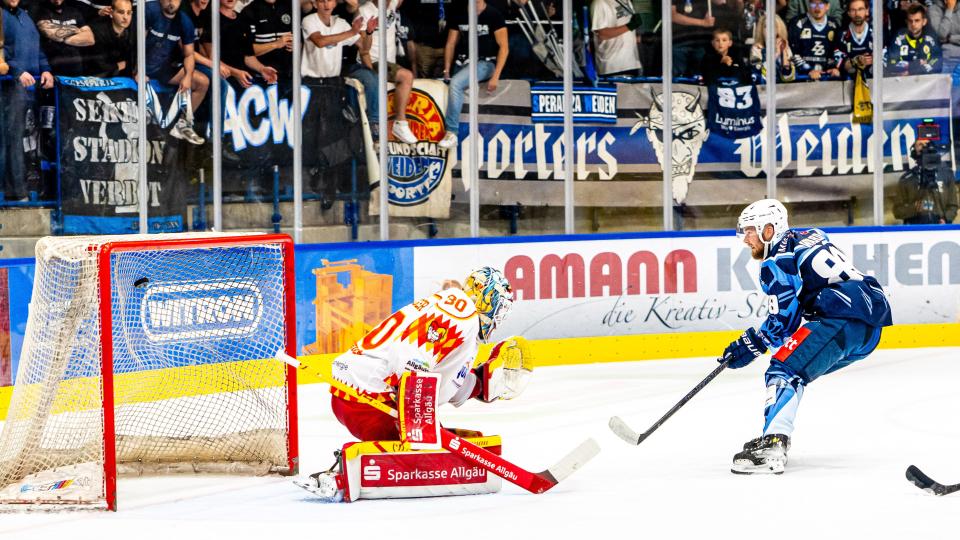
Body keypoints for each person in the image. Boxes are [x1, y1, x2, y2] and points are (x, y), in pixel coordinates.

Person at [301, 267, 528, 499]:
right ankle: (341, 480)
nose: (499, 317)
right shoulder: (460, 311)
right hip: (371, 398)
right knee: (429, 460)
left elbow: (442, 378)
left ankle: (352, 472)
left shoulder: (461, 318)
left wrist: (481, 383)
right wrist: (416, 426)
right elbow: (412, 357)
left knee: (436, 450)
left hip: (361, 393)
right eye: (500, 307)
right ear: (487, 298)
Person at [722, 199, 892, 474]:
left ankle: (773, 445)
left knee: (784, 370)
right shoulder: (810, 235)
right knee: (795, 369)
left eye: (750, 231)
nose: (745, 239)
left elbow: (785, 320)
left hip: (840, 318)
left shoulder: (776, 260)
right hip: (870, 325)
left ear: (769, 229)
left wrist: (754, 343)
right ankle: (775, 433)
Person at [438, 0, 508, 149]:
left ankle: (451, 132)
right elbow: (450, 43)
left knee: (456, 83)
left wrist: (496, 75)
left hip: (485, 63)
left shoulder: (493, 14)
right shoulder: (460, 13)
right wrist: (446, 70)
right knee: (444, 85)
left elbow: (504, 47)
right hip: (463, 62)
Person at [2, 0, 53, 201]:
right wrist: (17, 71)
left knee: (30, 142)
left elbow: (38, 49)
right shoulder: (2, 16)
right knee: (12, 140)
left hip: (30, 90)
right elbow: (1, 52)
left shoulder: (25, 16)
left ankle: (27, 189)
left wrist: (46, 69)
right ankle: (15, 192)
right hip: (8, 89)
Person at [350, 0, 418, 144]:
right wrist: (371, 73)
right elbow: (363, 50)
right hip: (373, 61)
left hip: (389, 62)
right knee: (406, 76)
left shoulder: (391, 4)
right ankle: (400, 123)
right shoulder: (364, 11)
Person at [144, 0, 209, 145]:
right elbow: (135, 44)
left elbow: (189, 55)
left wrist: (187, 76)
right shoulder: (149, 10)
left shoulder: (184, 21)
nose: (170, 2)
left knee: (202, 82)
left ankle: (182, 124)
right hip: (140, 64)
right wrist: (137, 69)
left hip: (162, 66)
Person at [199, 0, 278, 89]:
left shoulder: (242, 19)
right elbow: (212, 58)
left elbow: (248, 56)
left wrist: (262, 69)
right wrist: (235, 72)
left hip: (242, 78)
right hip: (221, 79)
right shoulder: (211, 20)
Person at [893, 139, 959, 224]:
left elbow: (953, 205)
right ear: (914, 151)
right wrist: (914, 208)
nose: (925, 147)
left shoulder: (946, 175)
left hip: (940, 230)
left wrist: (945, 219)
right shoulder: (906, 179)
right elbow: (897, 211)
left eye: (927, 144)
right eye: (920, 144)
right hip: (915, 230)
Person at [76, 0, 134, 77]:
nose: (125, 17)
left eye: (129, 13)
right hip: (95, 77)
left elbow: (132, 60)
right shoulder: (98, 31)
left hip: (119, 78)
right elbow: (98, 65)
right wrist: (119, 66)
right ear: (111, 13)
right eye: (121, 12)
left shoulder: (133, 32)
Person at [34, 0, 91, 76]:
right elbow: (50, 32)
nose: (57, 0)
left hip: (76, 65)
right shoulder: (41, 11)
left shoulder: (74, 11)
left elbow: (90, 39)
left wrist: (62, 37)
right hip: (52, 65)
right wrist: (76, 30)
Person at [787, 0, 839, 80]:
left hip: (827, 76)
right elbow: (792, 52)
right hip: (802, 77)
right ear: (808, 5)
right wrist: (808, 70)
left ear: (827, 6)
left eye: (821, 4)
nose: (817, 8)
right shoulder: (797, 23)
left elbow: (837, 51)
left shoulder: (834, 25)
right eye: (813, 4)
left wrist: (835, 68)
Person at [242, 0, 294, 80]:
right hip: (262, 76)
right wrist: (276, 44)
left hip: (291, 75)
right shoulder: (249, 11)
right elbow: (246, 51)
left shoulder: (290, 6)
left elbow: (301, 40)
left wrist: (297, 45)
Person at [887, 3, 943, 75]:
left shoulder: (931, 38)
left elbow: (937, 65)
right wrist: (914, 64)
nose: (913, 24)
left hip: (925, 82)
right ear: (906, 22)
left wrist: (911, 70)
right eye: (910, 21)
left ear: (924, 22)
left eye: (917, 20)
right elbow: (891, 64)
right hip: (903, 83)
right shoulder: (899, 38)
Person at [590, 0, 642, 77]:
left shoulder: (626, 1)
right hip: (613, 67)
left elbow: (629, 29)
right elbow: (603, 34)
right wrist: (630, 26)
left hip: (632, 64)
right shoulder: (600, 3)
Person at [749, 13, 796, 82]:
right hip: (763, 89)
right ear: (761, 30)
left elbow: (788, 78)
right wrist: (776, 54)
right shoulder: (756, 48)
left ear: (778, 29)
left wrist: (784, 53)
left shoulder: (784, 46)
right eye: (766, 26)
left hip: (783, 89)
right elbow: (761, 77)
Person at [835, 0, 874, 79]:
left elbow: (886, 62)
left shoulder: (877, 33)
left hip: (873, 83)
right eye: (853, 10)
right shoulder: (841, 35)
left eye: (860, 9)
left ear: (867, 11)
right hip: (848, 83)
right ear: (848, 13)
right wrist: (856, 61)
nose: (857, 14)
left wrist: (877, 59)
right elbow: (841, 63)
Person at [927, 0, 960, 74]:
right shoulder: (933, 9)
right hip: (945, 58)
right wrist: (950, 9)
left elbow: (944, 37)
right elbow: (941, 35)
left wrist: (950, 38)